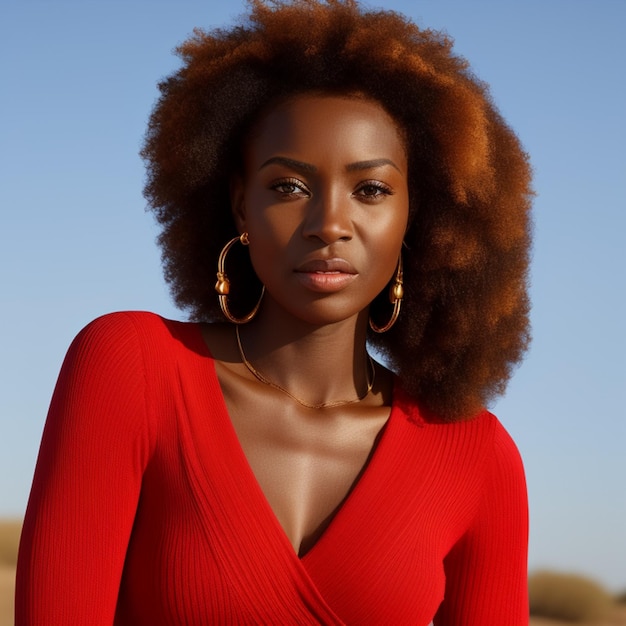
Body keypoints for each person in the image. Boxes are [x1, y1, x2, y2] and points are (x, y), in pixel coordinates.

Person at [15, 1, 533, 624]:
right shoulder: (133, 368)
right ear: (240, 207)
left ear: (414, 219)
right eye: (289, 187)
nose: (330, 225)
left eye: (370, 190)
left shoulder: (477, 458)